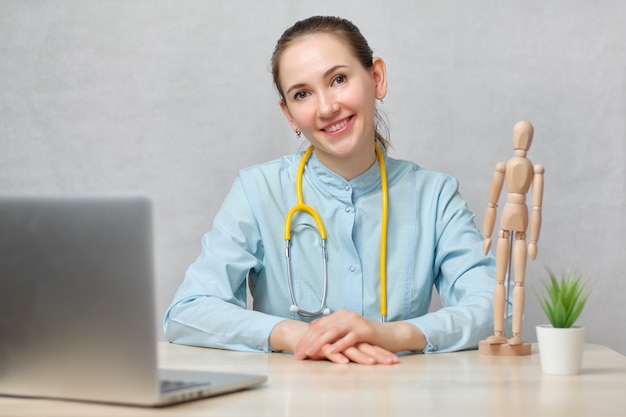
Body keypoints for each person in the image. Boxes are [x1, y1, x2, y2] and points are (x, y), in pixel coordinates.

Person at [164, 15, 496, 365]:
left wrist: (394, 334)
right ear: (290, 115)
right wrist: (296, 335)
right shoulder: (257, 190)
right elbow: (188, 311)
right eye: (302, 94)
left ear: (377, 78)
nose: (326, 108)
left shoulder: (435, 196)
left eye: (338, 79)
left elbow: (495, 308)